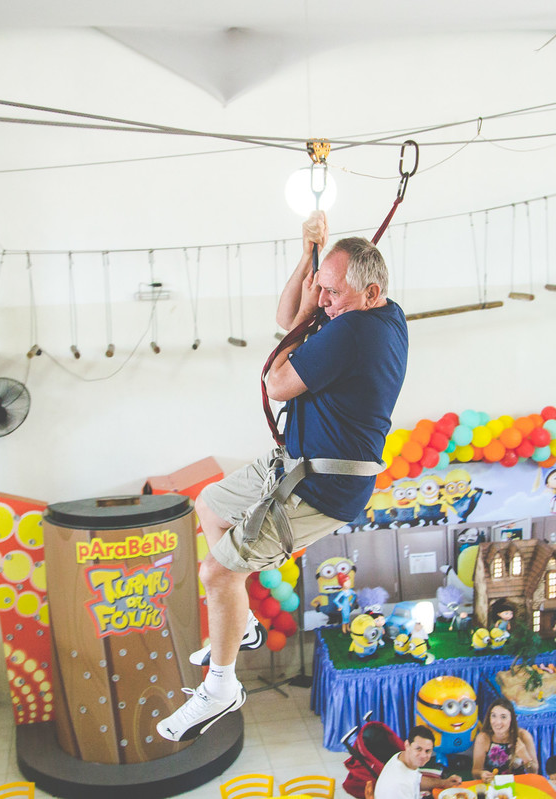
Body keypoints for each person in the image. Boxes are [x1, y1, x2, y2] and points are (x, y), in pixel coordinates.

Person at [157, 212, 409, 741]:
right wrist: (308, 260)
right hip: (294, 462)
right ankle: (241, 623)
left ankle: (221, 686)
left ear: (370, 291)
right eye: (323, 291)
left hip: (321, 486)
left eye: (333, 294)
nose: (323, 301)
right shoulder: (381, 313)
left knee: (218, 574)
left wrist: (319, 314)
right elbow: (287, 315)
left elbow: (276, 382)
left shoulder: (354, 333)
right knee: (210, 504)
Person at [374, 726, 463, 799]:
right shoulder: (399, 786)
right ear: (407, 745)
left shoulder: (402, 757)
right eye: (418, 749)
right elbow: (406, 783)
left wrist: (444, 783)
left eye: (427, 751)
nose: (423, 755)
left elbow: (416, 780)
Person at [471, 698, 538, 781]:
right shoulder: (483, 738)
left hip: (519, 785)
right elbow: (475, 771)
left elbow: (534, 771)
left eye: (503, 717)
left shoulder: (523, 736)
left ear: (511, 719)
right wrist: (481, 774)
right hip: (492, 787)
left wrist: (526, 758)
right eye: (494, 716)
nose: (497, 722)